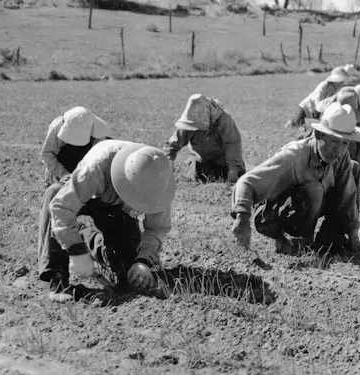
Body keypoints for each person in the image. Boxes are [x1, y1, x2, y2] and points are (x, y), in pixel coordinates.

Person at [37, 141, 175, 301]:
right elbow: (62, 207)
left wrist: (143, 261)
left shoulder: (159, 182)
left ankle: (83, 234)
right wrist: (75, 249)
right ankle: (58, 280)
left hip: (115, 206)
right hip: (88, 192)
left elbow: (156, 228)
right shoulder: (95, 169)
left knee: (126, 268)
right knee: (54, 193)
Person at [231, 102, 360, 256]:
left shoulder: (341, 156)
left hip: (308, 206)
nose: (339, 150)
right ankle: (297, 244)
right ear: (319, 135)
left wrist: (353, 234)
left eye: (345, 143)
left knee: (353, 168)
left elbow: (348, 195)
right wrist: (242, 218)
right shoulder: (294, 156)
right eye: (334, 141)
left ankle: (330, 240)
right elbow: (247, 182)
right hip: (271, 216)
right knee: (314, 189)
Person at [164, 94, 245, 183]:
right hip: (201, 162)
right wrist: (168, 168)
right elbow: (172, 146)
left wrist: (233, 170)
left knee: (234, 174)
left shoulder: (224, 120)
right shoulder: (189, 121)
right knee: (195, 172)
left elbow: (232, 145)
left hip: (223, 163)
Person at [40, 106, 111, 186]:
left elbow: (100, 158)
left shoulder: (98, 133)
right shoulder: (56, 128)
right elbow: (47, 154)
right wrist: (63, 174)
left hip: (85, 166)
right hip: (62, 164)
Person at [285, 66, 352, 127]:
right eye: (341, 81)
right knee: (296, 124)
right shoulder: (324, 85)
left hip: (318, 111)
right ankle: (290, 123)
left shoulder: (338, 88)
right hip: (306, 108)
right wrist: (321, 110)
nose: (342, 83)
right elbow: (317, 99)